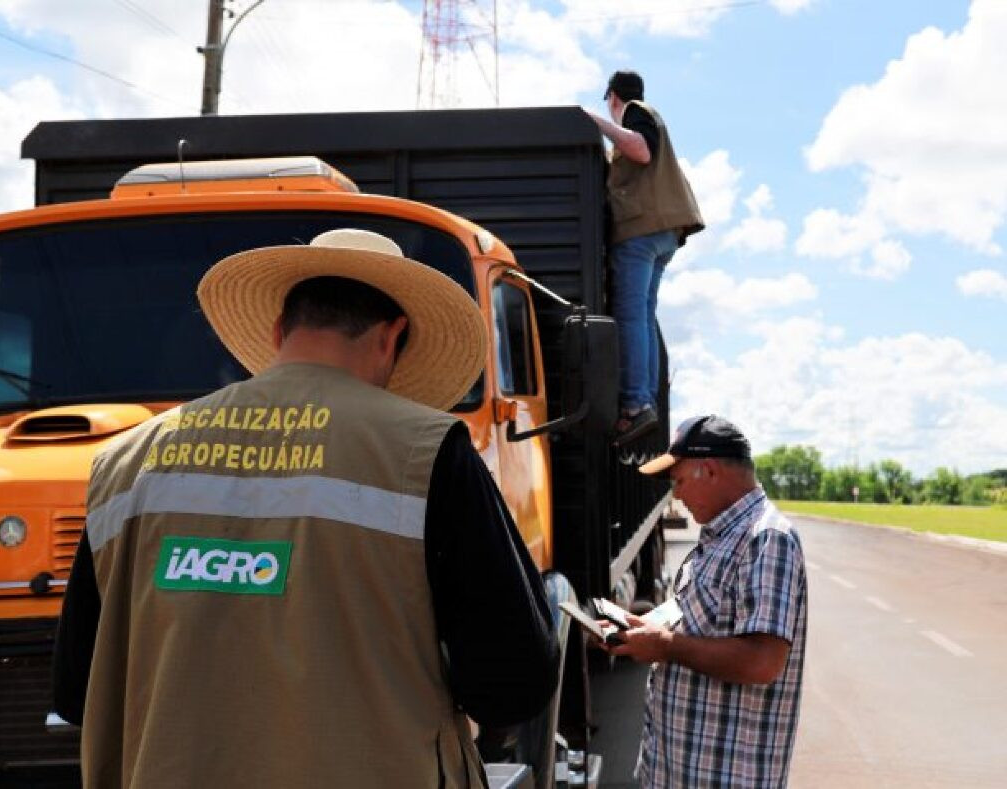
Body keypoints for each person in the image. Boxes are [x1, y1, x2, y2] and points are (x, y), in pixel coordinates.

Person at [52, 228, 560, 788]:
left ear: (277, 332)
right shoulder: (425, 451)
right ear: (393, 337)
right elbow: (513, 680)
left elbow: (79, 690)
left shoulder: (126, 462)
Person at [604, 415, 807, 788]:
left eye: (679, 481)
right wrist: (643, 629)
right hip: (678, 771)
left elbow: (762, 662)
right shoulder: (720, 537)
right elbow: (695, 619)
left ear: (709, 470)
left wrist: (664, 646)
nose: (676, 495)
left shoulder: (767, 538)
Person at [588, 70, 705, 445]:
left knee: (631, 314)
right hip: (665, 231)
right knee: (643, 315)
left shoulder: (637, 112)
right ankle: (645, 402)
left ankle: (637, 404)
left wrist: (595, 123)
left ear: (613, 98)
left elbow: (640, 149)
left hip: (641, 231)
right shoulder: (649, 114)